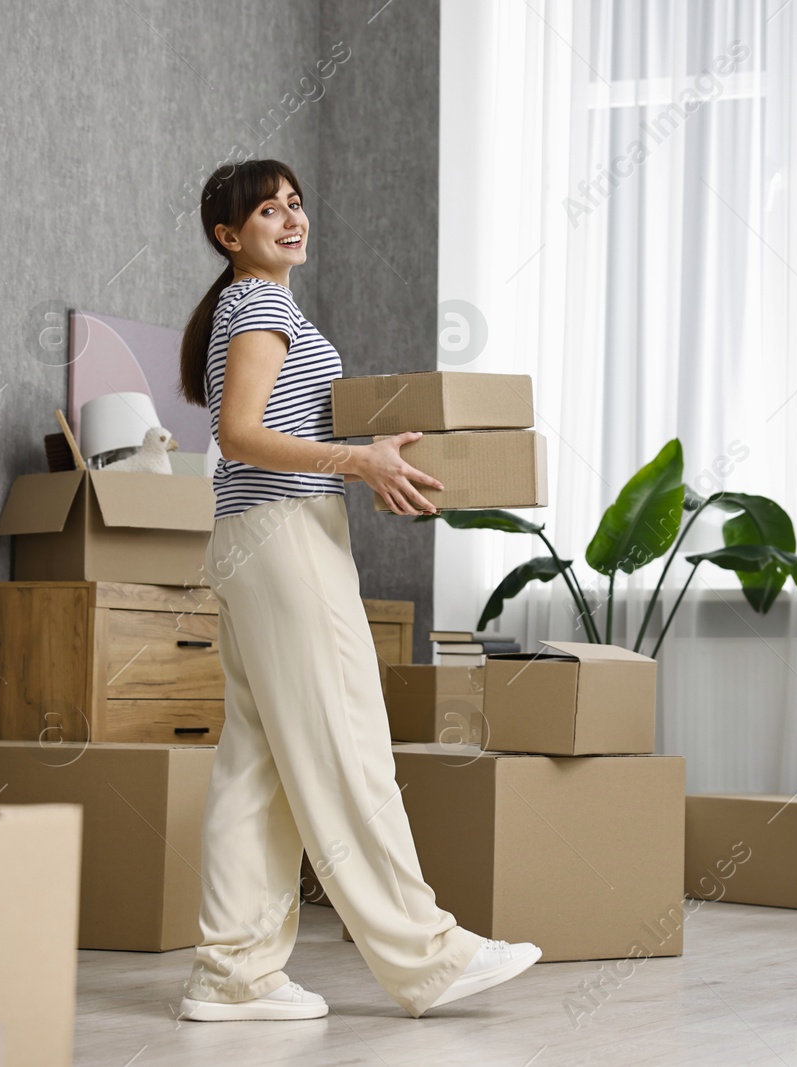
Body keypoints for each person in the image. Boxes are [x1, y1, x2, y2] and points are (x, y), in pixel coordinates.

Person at [173, 158, 539, 1021]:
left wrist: (363, 458)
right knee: (348, 741)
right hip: (284, 531)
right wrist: (360, 461)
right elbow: (242, 434)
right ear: (231, 236)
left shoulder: (248, 305)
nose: (291, 219)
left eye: (296, 203)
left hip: (247, 538)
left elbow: (253, 432)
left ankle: (233, 974)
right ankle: (427, 953)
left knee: (256, 764)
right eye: (269, 211)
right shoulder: (259, 305)